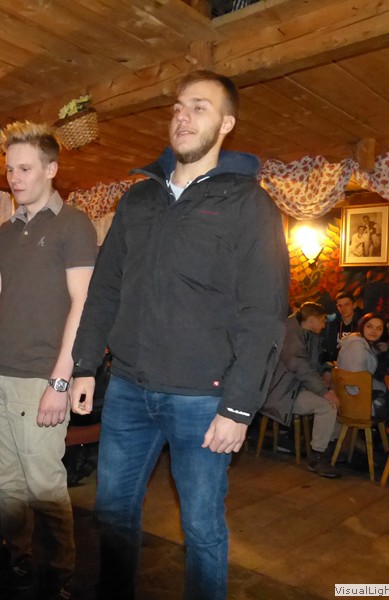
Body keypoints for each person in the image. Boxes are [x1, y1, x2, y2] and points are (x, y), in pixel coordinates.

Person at [69, 70, 289, 600]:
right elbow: (105, 289)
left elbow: (263, 314)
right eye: (177, 108)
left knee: (202, 528)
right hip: (128, 389)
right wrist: (83, 365)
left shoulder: (248, 204)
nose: (183, 117)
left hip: (203, 400)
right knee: (112, 514)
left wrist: (239, 407)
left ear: (226, 124)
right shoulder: (138, 200)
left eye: (199, 107)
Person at [0, 121, 98, 600]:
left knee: (44, 484)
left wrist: (61, 381)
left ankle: (58, 573)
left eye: (25, 169)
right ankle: (17, 558)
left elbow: (83, 304)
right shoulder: (6, 230)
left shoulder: (73, 224)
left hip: (40, 377)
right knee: (8, 482)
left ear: (51, 169)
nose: (14, 178)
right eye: (10, 170)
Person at [264, 302, 342, 478]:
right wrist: (323, 391)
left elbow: (311, 364)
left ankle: (326, 449)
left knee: (335, 402)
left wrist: (326, 370)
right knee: (327, 405)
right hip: (281, 393)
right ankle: (318, 456)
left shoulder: (305, 333)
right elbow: (299, 366)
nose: (324, 325)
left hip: (294, 388)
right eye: (322, 320)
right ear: (312, 320)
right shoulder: (290, 334)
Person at [336, 312, 389, 421]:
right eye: (369, 326)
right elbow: (358, 381)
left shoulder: (360, 342)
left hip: (349, 396)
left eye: (379, 328)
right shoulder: (357, 346)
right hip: (355, 400)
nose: (374, 331)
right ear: (362, 326)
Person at [321, 291, 363, 363]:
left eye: (346, 305)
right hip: (334, 361)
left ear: (354, 305)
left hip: (356, 361)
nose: (343, 309)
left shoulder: (362, 323)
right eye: (339, 306)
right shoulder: (330, 322)